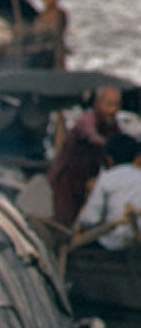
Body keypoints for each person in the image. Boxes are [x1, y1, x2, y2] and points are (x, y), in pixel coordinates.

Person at [51, 84, 124, 225]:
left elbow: (118, 145)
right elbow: (93, 137)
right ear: (97, 104)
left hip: (90, 179)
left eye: (116, 105)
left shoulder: (113, 125)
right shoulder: (87, 119)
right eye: (109, 104)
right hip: (68, 179)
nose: (113, 110)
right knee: (65, 219)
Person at [76, 132, 141, 250]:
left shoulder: (106, 179)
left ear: (109, 159)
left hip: (112, 243)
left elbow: (91, 218)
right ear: (136, 158)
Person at [31, 0, 69, 70]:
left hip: (55, 48)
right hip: (42, 48)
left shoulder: (59, 13)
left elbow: (57, 29)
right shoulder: (42, 15)